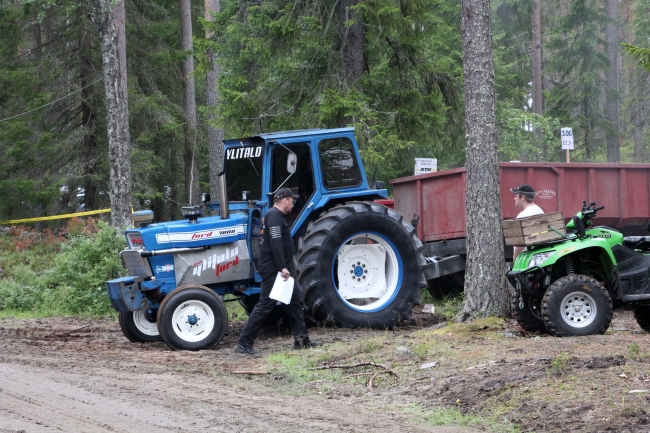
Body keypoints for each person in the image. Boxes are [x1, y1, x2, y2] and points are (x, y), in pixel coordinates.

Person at [235, 188, 321, 355]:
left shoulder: (276, 216)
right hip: (275, 269)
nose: (293, 203)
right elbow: (275, 242)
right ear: (284, 200)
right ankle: (244, 342)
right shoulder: (274, 215)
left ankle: (302, 340)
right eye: (292, 200)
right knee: (265, 305)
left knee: (295, 301)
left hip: (282, 268)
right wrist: (282, 267)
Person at [510, 184, 544, 261]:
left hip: (525, 259)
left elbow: (519, 244)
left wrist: (515, 259)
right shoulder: (540, 211)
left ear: (523, 198)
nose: (514, 198)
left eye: (516, 195)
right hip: (537, 257)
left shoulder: (522, 216)